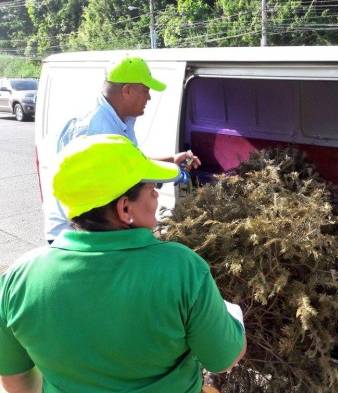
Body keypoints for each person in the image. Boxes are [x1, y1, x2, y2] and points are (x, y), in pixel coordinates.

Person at [0, 134, 246, 393]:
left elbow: (16, 381)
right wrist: (233, 316)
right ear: (125, 209)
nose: (156, 197)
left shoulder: (18, 278)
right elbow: (224, 358)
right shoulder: (182, 269)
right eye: (152, 189)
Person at [42, 55, 201, 243]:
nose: (149, 97)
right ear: (127, 90)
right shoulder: (94, 132)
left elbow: (127, 162)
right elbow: (97, 205)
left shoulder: (122, 120)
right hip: (79, 235)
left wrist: (171, 160)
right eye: (146, 90)